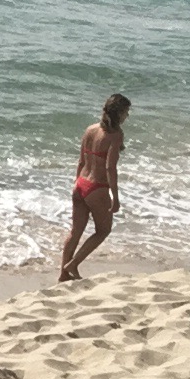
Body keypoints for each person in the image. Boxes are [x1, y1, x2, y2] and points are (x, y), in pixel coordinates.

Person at [60, 93, 131, 282]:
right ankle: (73, 264)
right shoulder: (115, 135)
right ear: (119, 113)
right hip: (97, 187)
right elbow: (110, 168)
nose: (128, 116)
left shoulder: (90, 129)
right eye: (126, 112)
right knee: (103, 230)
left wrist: (77, 184)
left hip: (81, 184)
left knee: (75, 232)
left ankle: (63, 275)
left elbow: (81, 161)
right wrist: (115, 197)